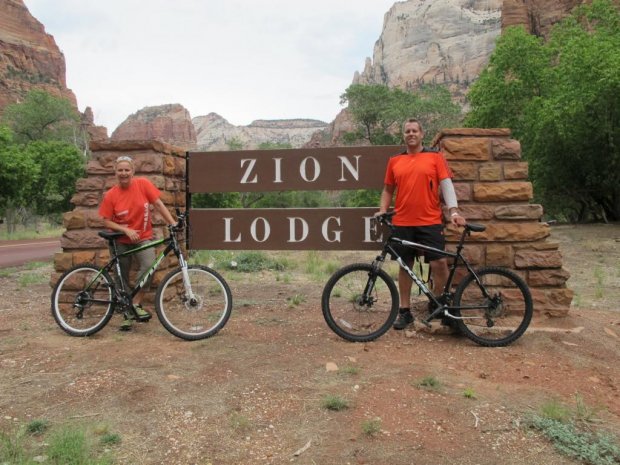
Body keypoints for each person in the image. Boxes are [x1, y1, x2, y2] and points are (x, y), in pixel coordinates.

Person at [376, 118, 466, 330]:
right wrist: (382, 209)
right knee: (405, 266)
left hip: (430, 220)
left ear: (422, 134)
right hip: (402, 221)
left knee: (439, 263)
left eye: (414, 130)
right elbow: (388, 189)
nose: (411, 134)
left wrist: (453, 211)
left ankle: (439, 304)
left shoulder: (435, 157)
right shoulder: (395, 161)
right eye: (407, 131)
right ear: (403, 135)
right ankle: (405, 311)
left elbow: (447, 185)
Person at [99, 155, 176, 331]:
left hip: (142, 237)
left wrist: (173, 223)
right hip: (120, 240)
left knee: (149, 265)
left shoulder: (143, 184)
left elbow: (158, 204)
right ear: (115, 172)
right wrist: (125, 230)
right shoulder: (111, 195)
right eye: (120, 170)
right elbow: (106, 221)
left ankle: (135, 303)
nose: (123, 173)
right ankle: (127, 312)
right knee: (121, 276)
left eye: (127, 170)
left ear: (133, 171)